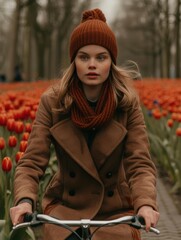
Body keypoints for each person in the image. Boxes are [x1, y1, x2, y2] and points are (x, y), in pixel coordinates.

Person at [10, 8, 159, 240]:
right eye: (84, 57)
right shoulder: (53, 103)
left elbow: (139, 164)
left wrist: (145, 204)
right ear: (74, 61)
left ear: (111, 61)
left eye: (101, 57)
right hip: (65, 208)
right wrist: (24, 201)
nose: (92, 64)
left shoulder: (126, 105)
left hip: (114, 211)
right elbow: (31, 162)